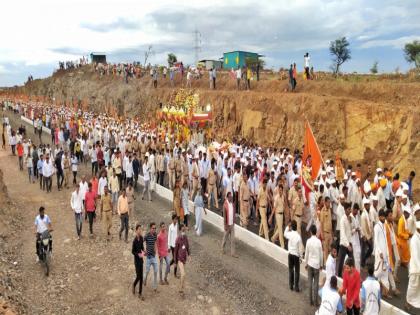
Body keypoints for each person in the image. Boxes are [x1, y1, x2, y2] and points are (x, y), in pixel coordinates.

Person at [406, 204, 420, 310]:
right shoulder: (415, 239)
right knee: (412, 286)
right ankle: (408, 303)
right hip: (415, 267)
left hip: (418, 266)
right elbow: (415, 256)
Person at [305, 225, 323, 306]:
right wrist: (321, 264)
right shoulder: (319, 242)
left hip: (310, 264)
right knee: (316, 284)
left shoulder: (308, 241)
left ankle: (310, 301)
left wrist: (306, 264)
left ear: (311, 232)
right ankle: (316, 302)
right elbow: (321, 254)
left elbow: (306, 253)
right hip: (316, 265)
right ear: (316, 232)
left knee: (310, 283)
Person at [284, 220, 303, 292]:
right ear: (297, 227)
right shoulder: (298, 236)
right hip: (296, 255)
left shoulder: (289, 234)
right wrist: (301, 257)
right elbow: (300, 248)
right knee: (297, 271)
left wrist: (287, 227)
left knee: (291, 270)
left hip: (290, 254)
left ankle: (291, 285)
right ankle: (296, 287)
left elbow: (285, 234)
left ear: (291, 227)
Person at [337, 202, 353, 277]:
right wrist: (347, 245)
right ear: (345, 210)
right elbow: (343, 234)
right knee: (341, 261)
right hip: (344, 244)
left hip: (349, 242)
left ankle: (350, 276)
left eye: (350, 209)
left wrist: (351, 222)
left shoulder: (349, 218)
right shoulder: (342, 220)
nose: (350, 211)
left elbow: (350, 231)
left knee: (350, 261)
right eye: (349, 209)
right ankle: (339, 276)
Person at [174, 224, 190, 296]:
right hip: (180, 259)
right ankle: (181, 289)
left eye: (184, 229)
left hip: (184, 259)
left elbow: (187, 247)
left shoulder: (186, 237)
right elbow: (175, 251)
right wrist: (175, 261)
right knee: (183, 274)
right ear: (180, 230)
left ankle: (181, 287)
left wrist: (189, 255)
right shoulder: (178, 239)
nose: (184, 229)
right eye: (183, 228)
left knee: (182, 275)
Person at [144, 222, 158, 293]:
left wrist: (156, 249)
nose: (154, 229)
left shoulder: (155, 234)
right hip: (148, 257)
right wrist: (144, 251)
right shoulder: (147, 235)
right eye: (153, 228)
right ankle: (145, 279)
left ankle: (155, 287)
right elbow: (141, 242)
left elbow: (155, 242)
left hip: (154, 256)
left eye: (155, 228)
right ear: (150, 228)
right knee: (147, 271)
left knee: (156, 271)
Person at [222, 191, 237, 257]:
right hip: (227, 225)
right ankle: (222, 248)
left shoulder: (232, 204)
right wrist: (225, 225)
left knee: (232, 239)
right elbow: (224, 216)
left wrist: (234, 222)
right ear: (227, 197)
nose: (231, 198)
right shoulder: (225, 205)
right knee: (225, 238)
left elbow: (233, 213)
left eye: (232, 197)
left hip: (232, 224)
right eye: (230, 197)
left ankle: (232, 253)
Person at [132, 224, 145, 300]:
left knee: (141, 277)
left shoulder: (142, 238)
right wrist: (138, 254)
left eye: (141, 229)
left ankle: (140, 293)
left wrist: (144, 251)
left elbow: (142, 247)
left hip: (141, 260)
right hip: (136, 261)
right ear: (136, 230)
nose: (140, 230)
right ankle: (134, 284)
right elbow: (132, 251)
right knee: (138, 276)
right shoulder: (134, 241)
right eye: (139, 229)